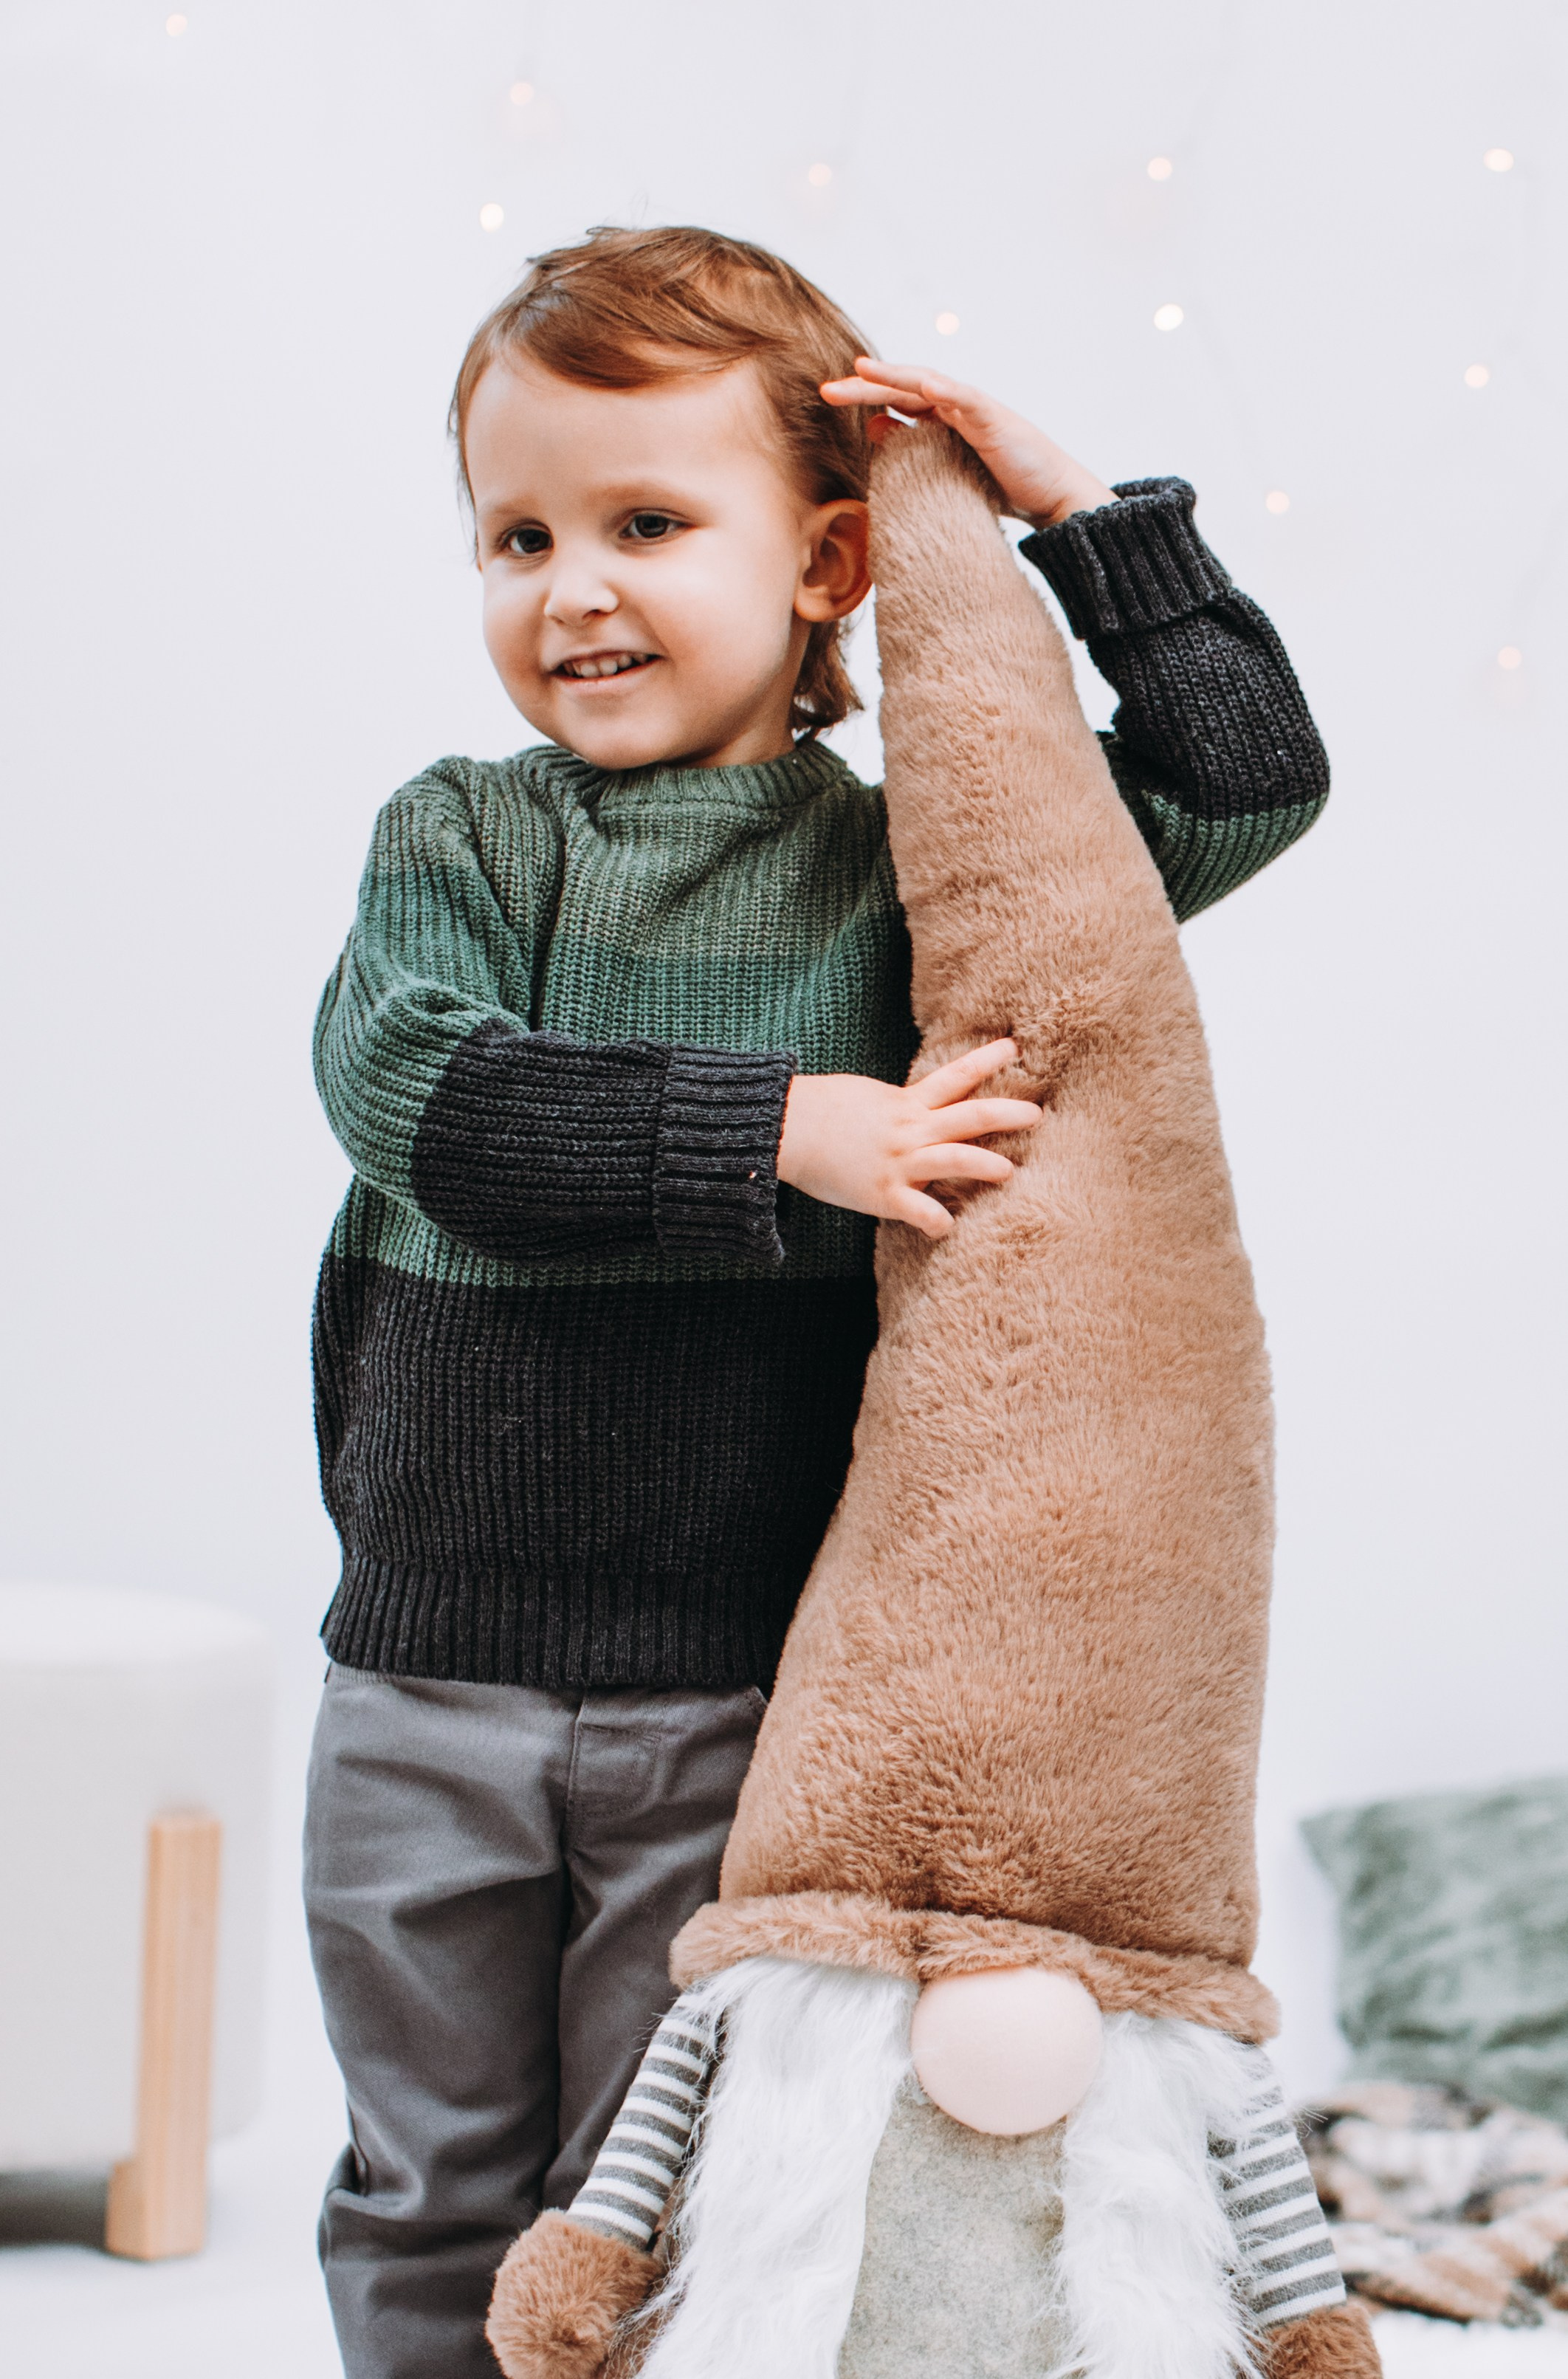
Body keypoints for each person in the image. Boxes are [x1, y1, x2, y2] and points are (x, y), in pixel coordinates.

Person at [303, 222, 1328, 2379]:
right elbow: (423, 1097)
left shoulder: (909, 876)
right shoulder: (469, 841)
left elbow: (1241, 786)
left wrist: (1079, 527)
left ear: (833, 565)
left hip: (730, 1691)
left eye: (645, 523)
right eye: (516, 534)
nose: (569, 587)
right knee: (423, 2170)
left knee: (637, 2183)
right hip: (428, 1675)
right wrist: (788, 1129)